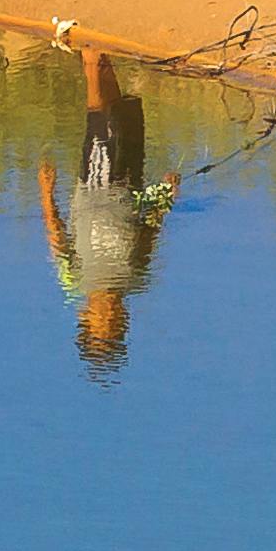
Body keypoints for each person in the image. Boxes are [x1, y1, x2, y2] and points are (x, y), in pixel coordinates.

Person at [35, 47, 174, 371]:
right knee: (123, 115)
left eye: (102, 319)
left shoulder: (74, 280)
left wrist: (46, 194)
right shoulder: (135, 278)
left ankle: (91, 56)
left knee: (99, 120)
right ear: (125, 319)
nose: (110, 313)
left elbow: (56, 236)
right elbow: (149, 230)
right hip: (130, 183)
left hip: (95, 185)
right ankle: (101, 59)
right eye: (115, 322)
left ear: (84, 314)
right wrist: (165, 195)